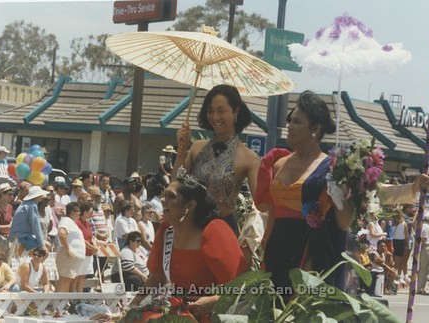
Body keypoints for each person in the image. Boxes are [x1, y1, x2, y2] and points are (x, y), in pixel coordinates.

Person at [254, 91, 352, 295]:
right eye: (289, 120)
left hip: (309, 255)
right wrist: (264, 252)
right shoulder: (278, 162)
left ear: (315, 129)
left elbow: (344, 223)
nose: (289, 126)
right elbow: (271, 213)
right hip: (276, 249)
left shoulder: (332, 169)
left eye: (296, 122)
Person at [130, 176, 247, 320]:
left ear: (190, 205)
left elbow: (242, 287)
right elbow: (157, 277)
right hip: (180, 312)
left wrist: (214, 301)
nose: (162, 199)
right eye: (164, 195)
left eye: (171, 196)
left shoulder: (215, 231)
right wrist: (132, 306)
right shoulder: (166, 230)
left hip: (215, 315)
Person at [174, 84, 260, 235]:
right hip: (189, 228)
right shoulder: (196, 147)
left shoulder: (249, 158)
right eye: (210, 111)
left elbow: (261, 206)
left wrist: (249, 239)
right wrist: (181, 150)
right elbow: (175, 185)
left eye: (221, 111)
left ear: (236, 111)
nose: (215, 117)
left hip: (222, 231)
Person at [55, 202, 85, 292]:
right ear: (72, 212)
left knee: (68, 281)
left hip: (72, 257)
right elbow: (61, 233)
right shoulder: (66, 221)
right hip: (67, 255)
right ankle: (57, 305)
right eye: (78, 211)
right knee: (65, 281)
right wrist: (68, 250)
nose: (80, 213)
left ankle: (61, 304)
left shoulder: (71, 222)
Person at [9, 186, 49, 253]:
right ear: (37, 196)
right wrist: (41, 244)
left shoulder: (25, 204)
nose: (42, 197)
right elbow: (36, 226)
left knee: (47, 246)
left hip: (18, 237)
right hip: (22, 238)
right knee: (46, 250)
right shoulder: (32, 205)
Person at [75, 201, 99, 292]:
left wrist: (96, 245)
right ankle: (75, 297)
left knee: (83, 276)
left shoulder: (88, 223)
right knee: (78, 277)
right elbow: (82, 240)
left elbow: (91, 237)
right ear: (85, 212)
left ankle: (80, 296)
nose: (92, 214)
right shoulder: (77, 223)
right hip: (81, 253)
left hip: (89, 254)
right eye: (90, 212)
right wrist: (93, 248)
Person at [417, 210, 429, 294]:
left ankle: (421, 287)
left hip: (426, 248)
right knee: (424, 269)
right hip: (426, 248)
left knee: (424, 269)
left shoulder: (425, 226)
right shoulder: (427, 227)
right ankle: (420, 288)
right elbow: (424, 239)